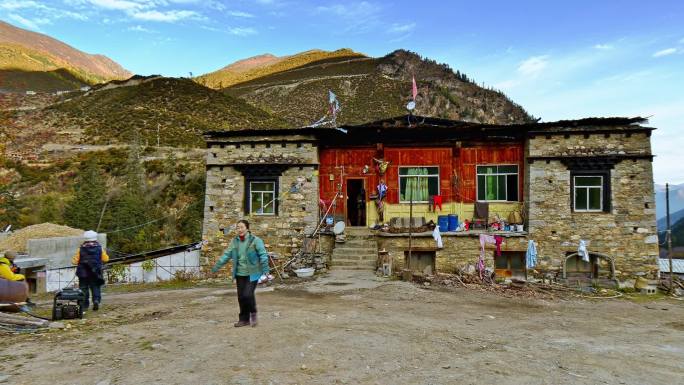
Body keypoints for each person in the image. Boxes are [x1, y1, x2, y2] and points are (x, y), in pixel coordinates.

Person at [211, 220, 269, 327]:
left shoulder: (255, 240)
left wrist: (265, 271)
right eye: (238, 227)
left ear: (247, 228)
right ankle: (244, 319)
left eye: (242, 227)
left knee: (247, 294)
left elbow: (263, 255)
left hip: (253, 273)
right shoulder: (235, 241)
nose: (240, 229)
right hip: (240, 273)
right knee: (241, 297)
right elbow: (227, 255)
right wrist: (216, 267)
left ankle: (253, 313)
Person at [72, 230, 109, 311]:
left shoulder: (80, 249)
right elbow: (106, 259)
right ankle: (96, 301)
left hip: (83, 273)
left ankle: (84, 305)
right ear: (95, 238)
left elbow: (74, 261)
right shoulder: (99, 248)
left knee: (83, 288)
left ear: (85, 239)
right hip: (95, 272)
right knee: (95, 287)